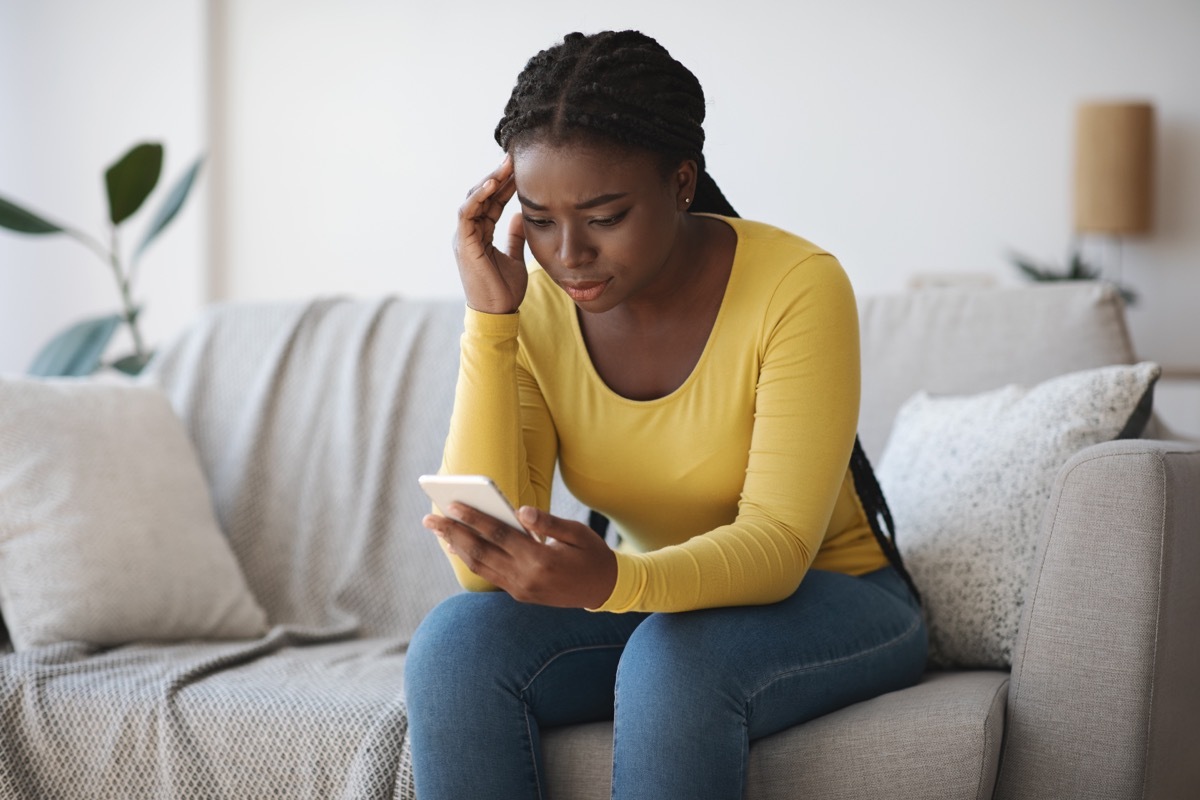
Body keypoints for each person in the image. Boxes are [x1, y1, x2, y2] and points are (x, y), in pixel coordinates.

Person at [404, 29, 927, 800]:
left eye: (605, 216)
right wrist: (492, 319)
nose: (568, 253)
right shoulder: (533, 300)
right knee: (453, 643)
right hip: (653, 598)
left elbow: (779, 548)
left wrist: (613, 579)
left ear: (682, 182)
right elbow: (475, 567)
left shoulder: (798, 285)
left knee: (673, 659)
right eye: (540, 220)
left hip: (831, 594)